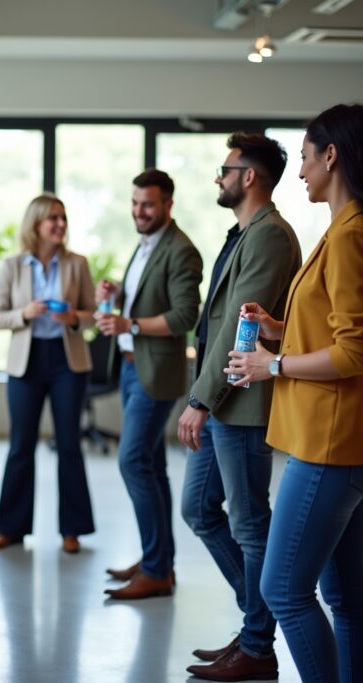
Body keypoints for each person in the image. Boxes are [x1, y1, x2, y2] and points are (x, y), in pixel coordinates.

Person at [226, 103, 363, 683]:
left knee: (282, 590)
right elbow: (334, 330)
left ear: (331, 156)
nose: (300, 171)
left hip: (327, 444)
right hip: (339, 442)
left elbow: (354, 352)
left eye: (305, 158)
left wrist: (273, 363)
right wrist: (281, 328)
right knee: (346, 599)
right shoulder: (342, 229)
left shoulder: (351, 235)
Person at [179, 133, 302, 682]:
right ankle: (257, 618)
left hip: (242, 401)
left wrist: (201, 399)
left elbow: (238, 324)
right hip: (223, 401)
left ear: (249, 176)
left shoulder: (270, 235)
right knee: (199, 510)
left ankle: (257, 645)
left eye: (225, 169)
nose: (218, 177)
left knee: (250, 525)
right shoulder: (245, 232)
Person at [97, 169, 202, 599]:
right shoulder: (144, 244)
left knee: (132, 461)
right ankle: (157, 561)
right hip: (129, 367)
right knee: (152, 467)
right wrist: (118, 295)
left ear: (167, 205)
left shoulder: (181, 250)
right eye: (135, 203)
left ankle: (157, 569)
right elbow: (146, 299)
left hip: (154, 374)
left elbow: (184, 316)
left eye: (148, 204)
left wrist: (130, 324)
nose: (139, 211)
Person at [0, 193, 96, 554]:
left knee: (69, 444)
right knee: (21, 445)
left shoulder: (77, 264)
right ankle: (11, 528)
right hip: (27, 361)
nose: (61, 224)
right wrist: (25, 313)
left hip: (67, 362)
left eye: (63, 218)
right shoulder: (13, 266)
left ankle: (72, 530)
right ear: (36, 224)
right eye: (53, 218)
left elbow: (93, 316)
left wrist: (73, 317)